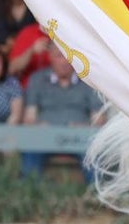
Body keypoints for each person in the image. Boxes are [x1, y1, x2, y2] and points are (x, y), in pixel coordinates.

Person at [21, 47, 104, 178]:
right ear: (50, 57)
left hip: (79, 138)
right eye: (59, 56)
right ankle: (29, 194)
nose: (64, 62)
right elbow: (29, 116)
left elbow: (98, 118)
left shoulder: (88, 81)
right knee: (31, 150)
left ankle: (94, 195)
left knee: (93, 155)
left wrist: (86, 127)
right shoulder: (37, 79)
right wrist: (37, 126)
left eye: (67, 56)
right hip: (44, 136)